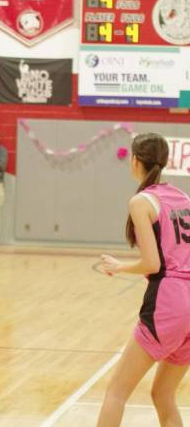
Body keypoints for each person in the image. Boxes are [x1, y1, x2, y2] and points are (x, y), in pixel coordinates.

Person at [96, 133, 190, 426]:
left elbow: (153, 262)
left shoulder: (141, 201)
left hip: (170, 301)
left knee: (116, 392)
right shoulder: (183, 197)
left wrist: (119, 267)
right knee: (163, 395)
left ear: (135, 161)